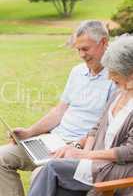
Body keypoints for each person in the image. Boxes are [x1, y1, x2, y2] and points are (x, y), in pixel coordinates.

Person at [0, 20, 115, 196]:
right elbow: (59, 111)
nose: (81, 55)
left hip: (78, 147)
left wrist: (76, 146)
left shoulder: (116, 78)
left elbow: (105, 128)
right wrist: (29, 132)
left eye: (85, 49)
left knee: (40, 174)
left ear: (104, 43)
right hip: (53, 141)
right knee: (2, 157)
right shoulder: (77, 72)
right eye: (78, 49)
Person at [28, 35, 133, 196]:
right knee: (58, 189)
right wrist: (82, 156)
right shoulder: (118, 94)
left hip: (117, 170)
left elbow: (129, 151)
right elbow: (96, 128)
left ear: (130, 72)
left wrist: (85, 155)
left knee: (53, 168)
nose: (109, 77)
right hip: (97, 163)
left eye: (114, 72)